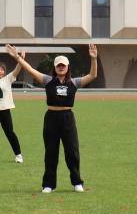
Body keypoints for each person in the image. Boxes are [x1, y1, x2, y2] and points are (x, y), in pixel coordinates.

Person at [6, 44, 98, 193]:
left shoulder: (74, 82)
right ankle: (49, 184)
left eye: (63, 65)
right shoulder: (48, 80)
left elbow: (92, 76)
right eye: (58, 65)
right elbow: (30, 70)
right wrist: (17, 57)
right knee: (51, 152)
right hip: (51, 118)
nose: (61, 67)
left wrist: (93, 59)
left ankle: (77, 182)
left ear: (68, 67)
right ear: (55, 67)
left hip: (68, 118)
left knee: (72, 151)